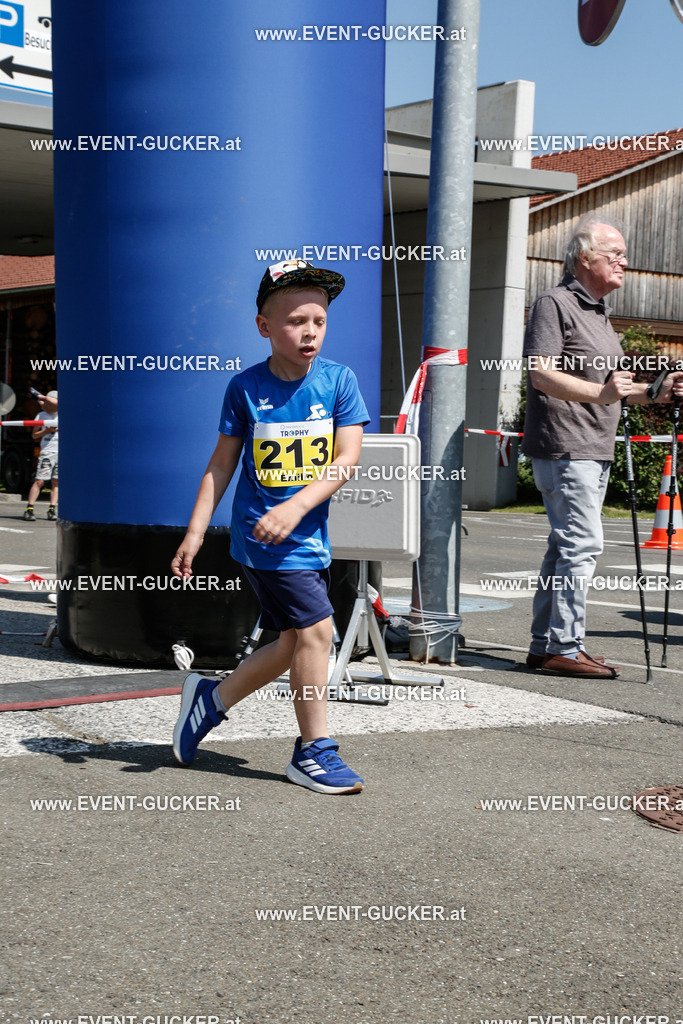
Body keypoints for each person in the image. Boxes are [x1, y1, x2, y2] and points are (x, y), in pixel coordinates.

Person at [170, 259, 369, 793]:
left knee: (291, 643)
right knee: (318, 632)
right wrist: (194, 533)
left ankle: (210, 701)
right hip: (263, 539)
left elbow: (346, 460)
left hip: (307, 535)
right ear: (264, 326)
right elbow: (220, 465)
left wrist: (298, 506)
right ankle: (313, 751)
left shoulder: (339, 382)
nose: (309, 332)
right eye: (295, 321)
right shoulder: (245, 388)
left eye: (319, 321)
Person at [522, 216, 683, 678]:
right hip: (566, 445)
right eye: (614, 254)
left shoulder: (599, 314)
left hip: (593, 446)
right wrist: (601, 394)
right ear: (584, 257)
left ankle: (545, 645)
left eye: (623, 254)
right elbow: (541, 373)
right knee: (583, 545)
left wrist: (658, 388)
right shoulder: (555, 303)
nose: (624, 262)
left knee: (564, 548)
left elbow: (613, 387)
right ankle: (565, 649)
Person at [24, 390, 58, 522]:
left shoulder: (64, 413)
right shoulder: (40, 415)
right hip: (47, 452)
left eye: (45, 401)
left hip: (61, 452)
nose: (41, 403)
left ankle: (52, 509)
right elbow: (34, 435)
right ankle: (29, 509)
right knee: (39, 481)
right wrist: (47, 430)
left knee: (56, 482)